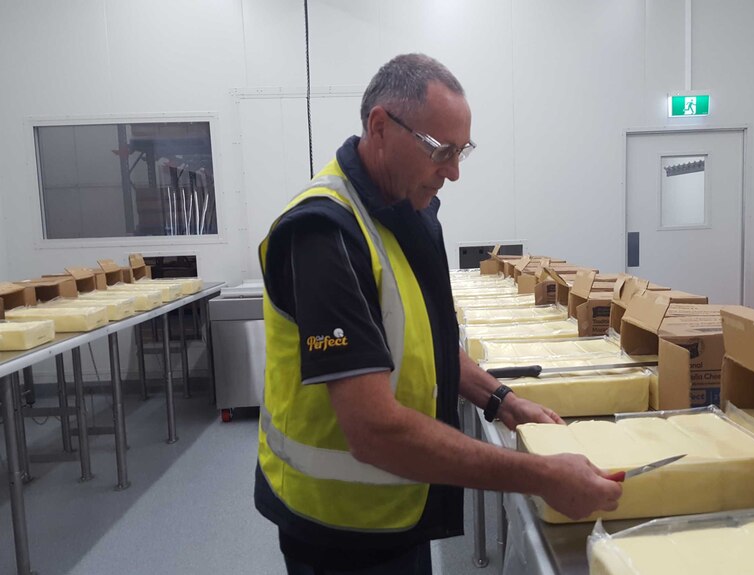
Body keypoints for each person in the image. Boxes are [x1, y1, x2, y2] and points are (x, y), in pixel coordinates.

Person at [255, 53, 622, 575]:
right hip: (335, 529)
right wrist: (540, 476)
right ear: (380, 127)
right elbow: (374, 430)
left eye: (461, 153)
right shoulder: (323, 234)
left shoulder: (407, 212)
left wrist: (499, 398)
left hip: (397, 508)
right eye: (440, 151)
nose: (451, 173)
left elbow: (421, 342)